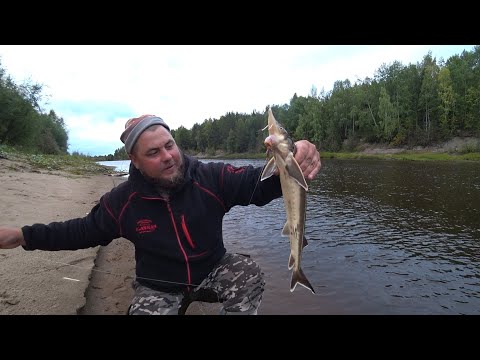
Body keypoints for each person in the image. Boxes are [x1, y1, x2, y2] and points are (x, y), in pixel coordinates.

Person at [0, 114, 321, 315]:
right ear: (134, 161)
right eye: (153, 152)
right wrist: (24, 235)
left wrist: (292, 161)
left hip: (211, 271)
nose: (168, 156)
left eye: (169, 145)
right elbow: (78, 231)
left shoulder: (209, 178)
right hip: (159, 287)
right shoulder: (122, 202)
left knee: (248, 273)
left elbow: (257, 186)